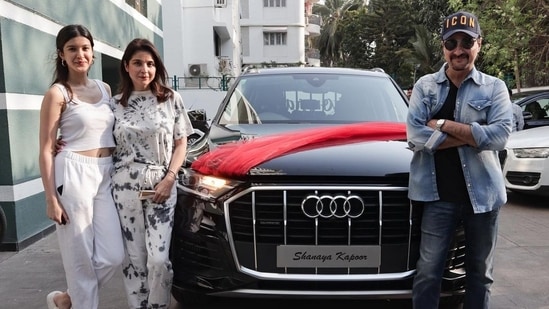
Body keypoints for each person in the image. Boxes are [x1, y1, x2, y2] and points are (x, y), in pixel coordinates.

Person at [406, 11, 512, 309]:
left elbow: (500, 136)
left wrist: (442, 125)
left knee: (480, 275)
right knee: (428, 274)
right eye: (451, 42)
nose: (458, 49)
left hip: (484, 198)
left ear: (479, 44)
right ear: (443, 47)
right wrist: (474, 135)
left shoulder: (494, 88)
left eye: (467, 41)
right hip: (437, 198)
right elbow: (415, 136)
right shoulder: (426, 86)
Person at [39, 24, 125, 309]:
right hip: (73, 173)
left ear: (93, 53)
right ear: (61, 55)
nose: (80, 54)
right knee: (80, 259)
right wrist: (51, 198)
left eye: (85, 48)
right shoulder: (58, 93)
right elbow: (45, 149)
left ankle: (66, 300)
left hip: (105, 172)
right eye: (72, 49)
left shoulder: (104, 88)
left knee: (113, 255)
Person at [111, 38, 193, 308]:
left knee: (158, 259)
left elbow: (181, 142)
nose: (144, 69)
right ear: (126, 66)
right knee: (134, 259)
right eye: (137, 63)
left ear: (156, 67)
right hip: (124, 188)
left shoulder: (170, 99)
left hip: (161, 185)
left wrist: (170, 178)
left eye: (149, 64)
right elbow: (95, 137)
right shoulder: (113, 105)